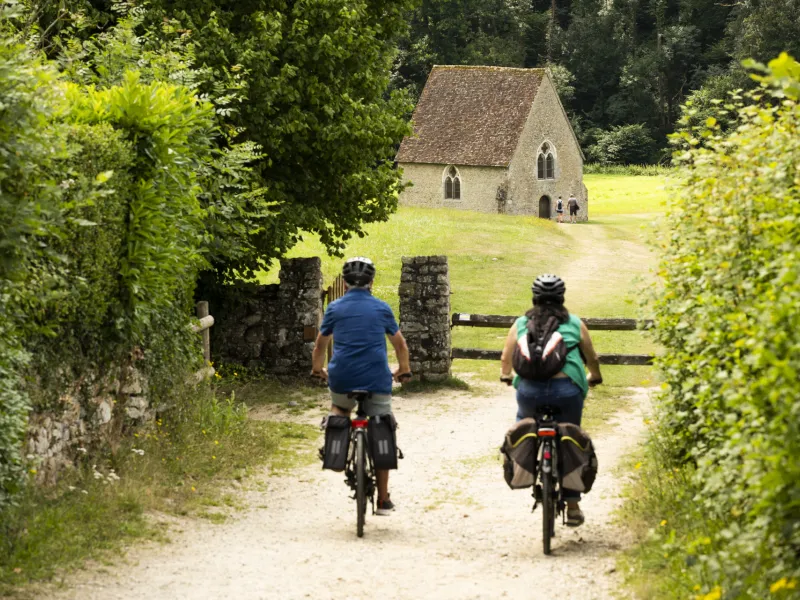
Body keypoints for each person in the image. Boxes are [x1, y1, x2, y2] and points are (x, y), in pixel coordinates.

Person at [499, 274, 602, 526]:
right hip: (567, 391)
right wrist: (595, 376)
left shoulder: (521, 323)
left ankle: (523, 467)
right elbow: (592, 357)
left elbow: (506, 357)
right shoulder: (575, 323)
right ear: (561, 297)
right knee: (571, 437)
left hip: (529, 391)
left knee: (523, 424)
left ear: (534, 297)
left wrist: (505, 375)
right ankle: (573, 505)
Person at [311, 257, 411, 515]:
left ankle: (337, 443)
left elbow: (320, 345)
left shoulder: (334, 308)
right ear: (372, 282)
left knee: (340, 408)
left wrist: (318, 370)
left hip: (341, 378)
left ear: (344, 283)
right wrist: (403, 370)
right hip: (377, 379)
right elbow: (400, 345)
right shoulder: (381, 308)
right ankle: (383, 500)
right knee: (382, 423)